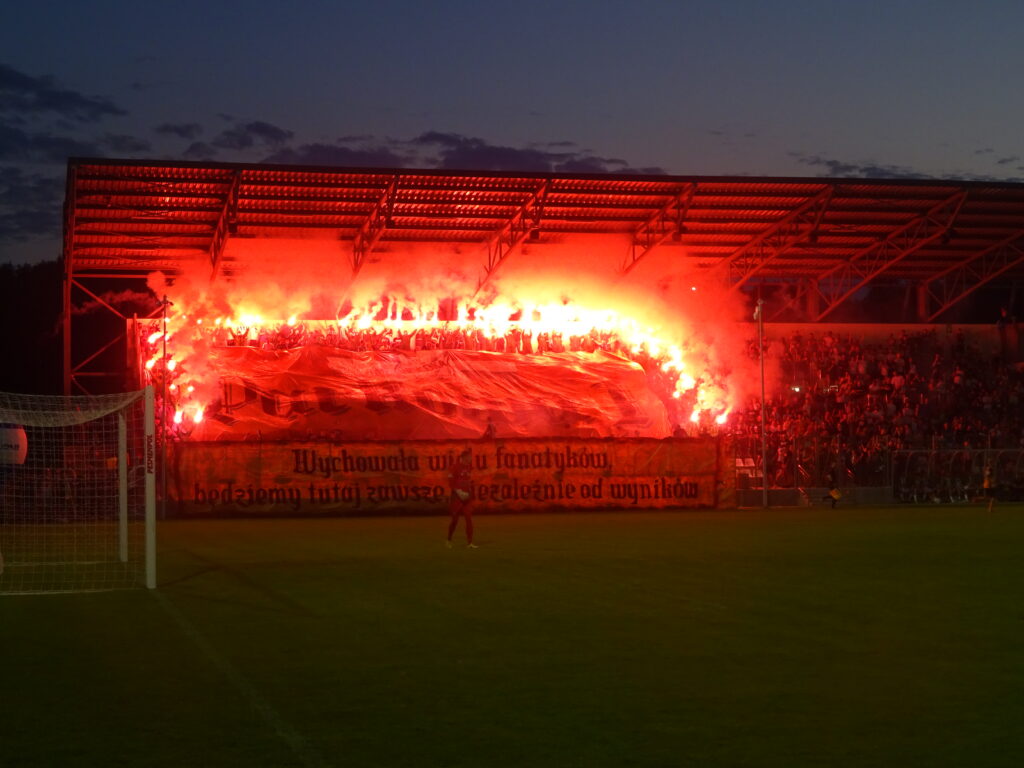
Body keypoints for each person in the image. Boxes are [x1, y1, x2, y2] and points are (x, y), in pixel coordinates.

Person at [446, 448, 477, 548]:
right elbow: (451, 482)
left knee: (469, 518)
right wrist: (459, 492)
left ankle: (470, 543)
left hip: (467, 497)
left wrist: (469, 491)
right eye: (469, 457)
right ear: (464, 457)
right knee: (455, 520)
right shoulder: (454, 467)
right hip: (457, 497)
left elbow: (467, 481)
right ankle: (449, 540)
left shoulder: (469, 467)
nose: (471, 458)